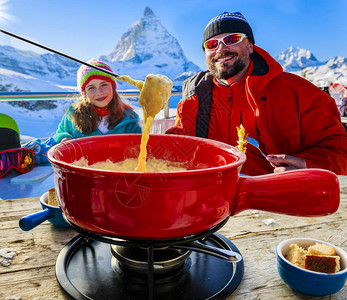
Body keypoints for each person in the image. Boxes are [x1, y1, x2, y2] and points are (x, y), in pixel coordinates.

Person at [166, 12, 347, 175]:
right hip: (212, 197)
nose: (221, 50)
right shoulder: (194, 96)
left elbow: (339, 151)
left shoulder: (299, 92)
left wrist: (307, 164)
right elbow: (177, 148)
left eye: (232, 39)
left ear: (250, 46)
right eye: (212, 44)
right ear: (205, 53)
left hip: (274, 198)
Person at [53, 59, 141, 143]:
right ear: (84, 93)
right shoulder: (73, 114)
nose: (99, 93)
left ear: (113, 87)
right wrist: (64, 138)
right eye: (91, 88)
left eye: (104, 85)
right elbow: (60, 133)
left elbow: (141, 145)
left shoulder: (129, 117)